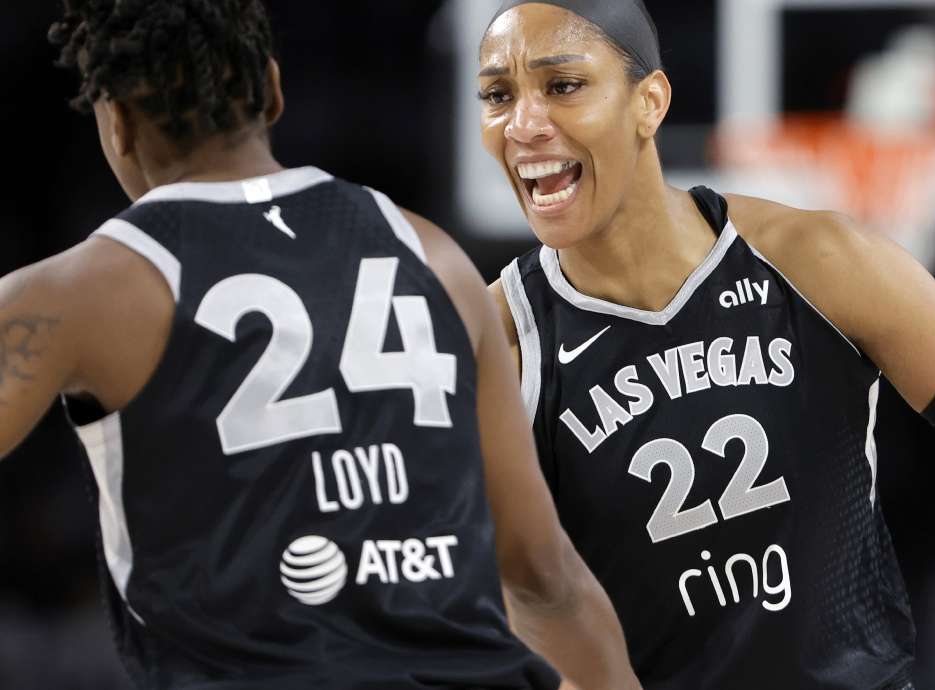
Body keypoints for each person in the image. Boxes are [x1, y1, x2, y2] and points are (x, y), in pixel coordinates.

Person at [478, 1, 935, 688]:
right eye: (498, 95)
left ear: (649, 101)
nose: (523, 124)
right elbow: (484, 611)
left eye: (562, 86)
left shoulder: (815, 262)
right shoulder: (496, 344)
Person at [0, 1, 641, 688]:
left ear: (117, 124)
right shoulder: (435, 258)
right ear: (273, 91)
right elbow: (548, 583)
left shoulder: (77, 292)